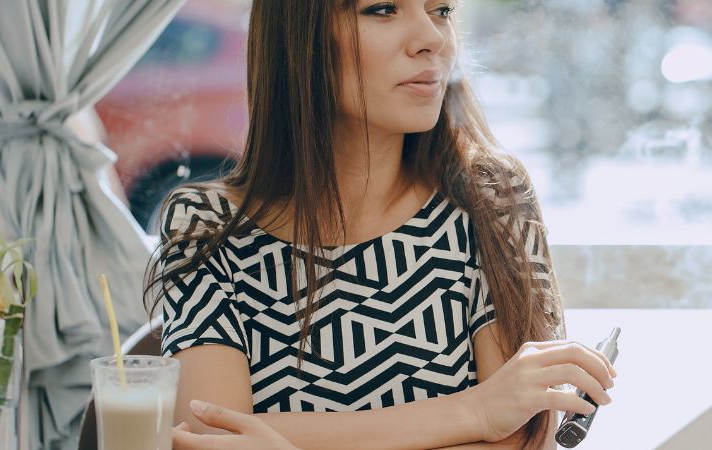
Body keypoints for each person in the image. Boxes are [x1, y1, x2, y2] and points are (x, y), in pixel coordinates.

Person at [145, 1, 617, 449]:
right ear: (298, 36)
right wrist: (475, 413)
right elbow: (207, 437)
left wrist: (283, 437)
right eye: (383, 9)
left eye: (442, 11)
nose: (433, 38)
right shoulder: (204, 225)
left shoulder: (492, 198)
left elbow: (524, 439)